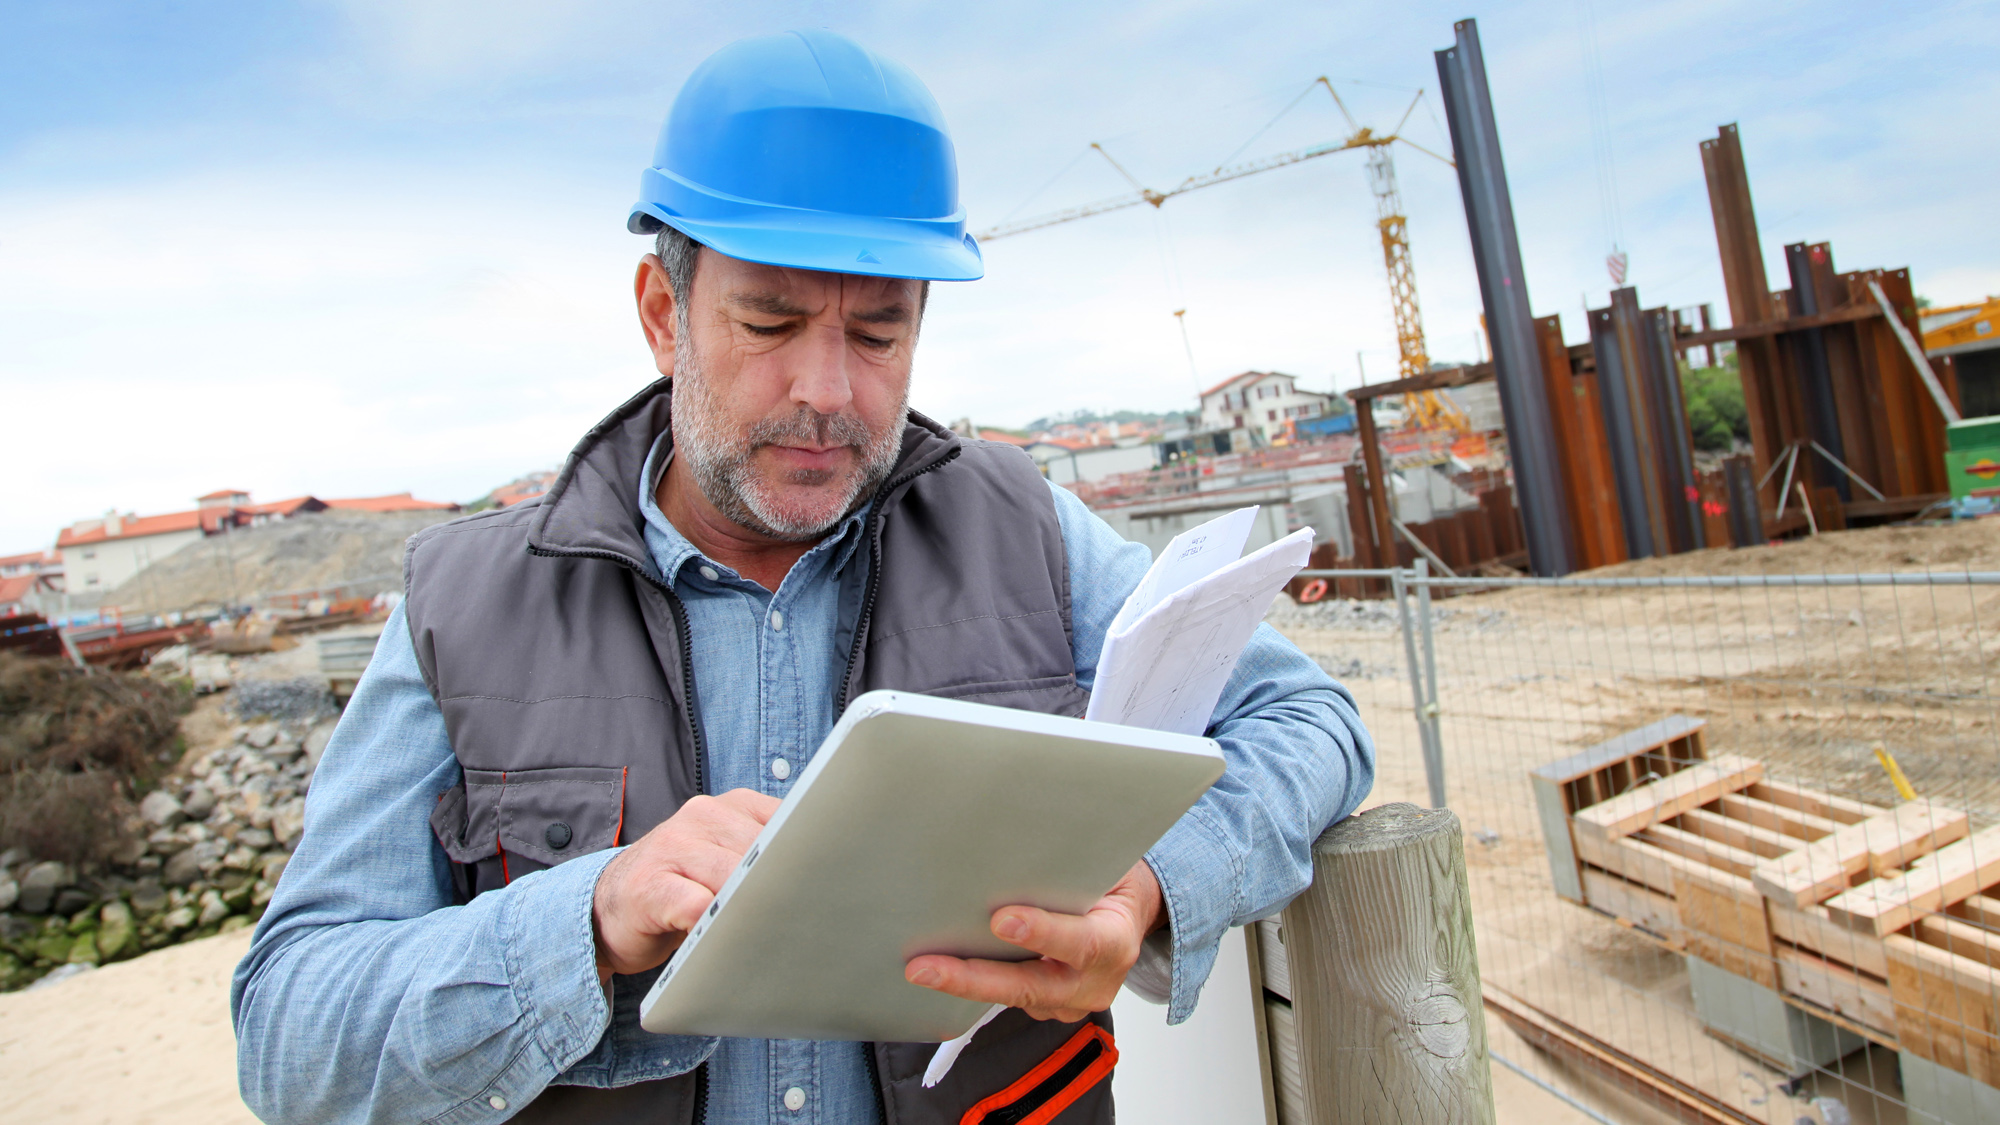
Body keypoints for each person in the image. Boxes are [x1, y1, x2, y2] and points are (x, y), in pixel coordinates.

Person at [231, 29, 1372, 1125]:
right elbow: (289, 1033)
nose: (828, 389)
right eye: (770, 321)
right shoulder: (460, 602)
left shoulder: (1024, 527)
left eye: (877, 334)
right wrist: (587, 917)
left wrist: (1151, 886)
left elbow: (1307, 719)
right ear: (660, 314)